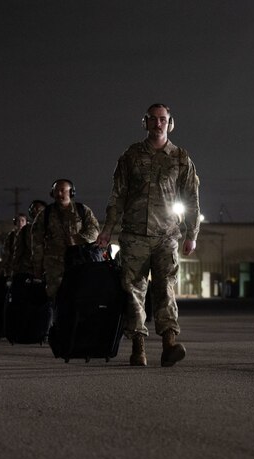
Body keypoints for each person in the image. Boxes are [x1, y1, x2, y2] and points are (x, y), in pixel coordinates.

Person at [96, 103, 200, 367]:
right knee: (133, 291)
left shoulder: (180, 157)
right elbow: (116, 196)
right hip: (134, 235)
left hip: (166, 234)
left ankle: (169, 344)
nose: (158, 124)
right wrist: (107, 231)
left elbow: (191, 197)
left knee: (165, 288)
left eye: (162, 119)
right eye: (152, 119)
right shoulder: (130, 156)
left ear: (170, 123)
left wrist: (192, 233)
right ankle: (138, 347)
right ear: (145, 123)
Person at [31, 180, 100, 300]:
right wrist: (37, 269)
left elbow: (94, 231)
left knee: (81, 298)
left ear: (71, 192)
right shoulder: (45, 214)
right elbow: (36, 243)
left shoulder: (82, 210)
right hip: (54, 266)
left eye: (63, 190)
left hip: (79, 263)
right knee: (55, 299)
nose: (59, 193)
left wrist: (77, 239)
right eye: (56, 190)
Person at [11, 200, 47, 277]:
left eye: (38, 209)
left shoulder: (52, 228)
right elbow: (17, 254)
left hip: (48, 271)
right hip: (28, 271)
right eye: (32, 209)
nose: (35, 211)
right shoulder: (25, 231)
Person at [0, 213, 28, 277]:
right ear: (15, 222)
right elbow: (6, 254)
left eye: (22, 220)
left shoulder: (31, 235)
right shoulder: (11, 236)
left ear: (26, 222)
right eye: (18, 221)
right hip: (13, 269)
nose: (20, 223)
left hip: (27, 268)